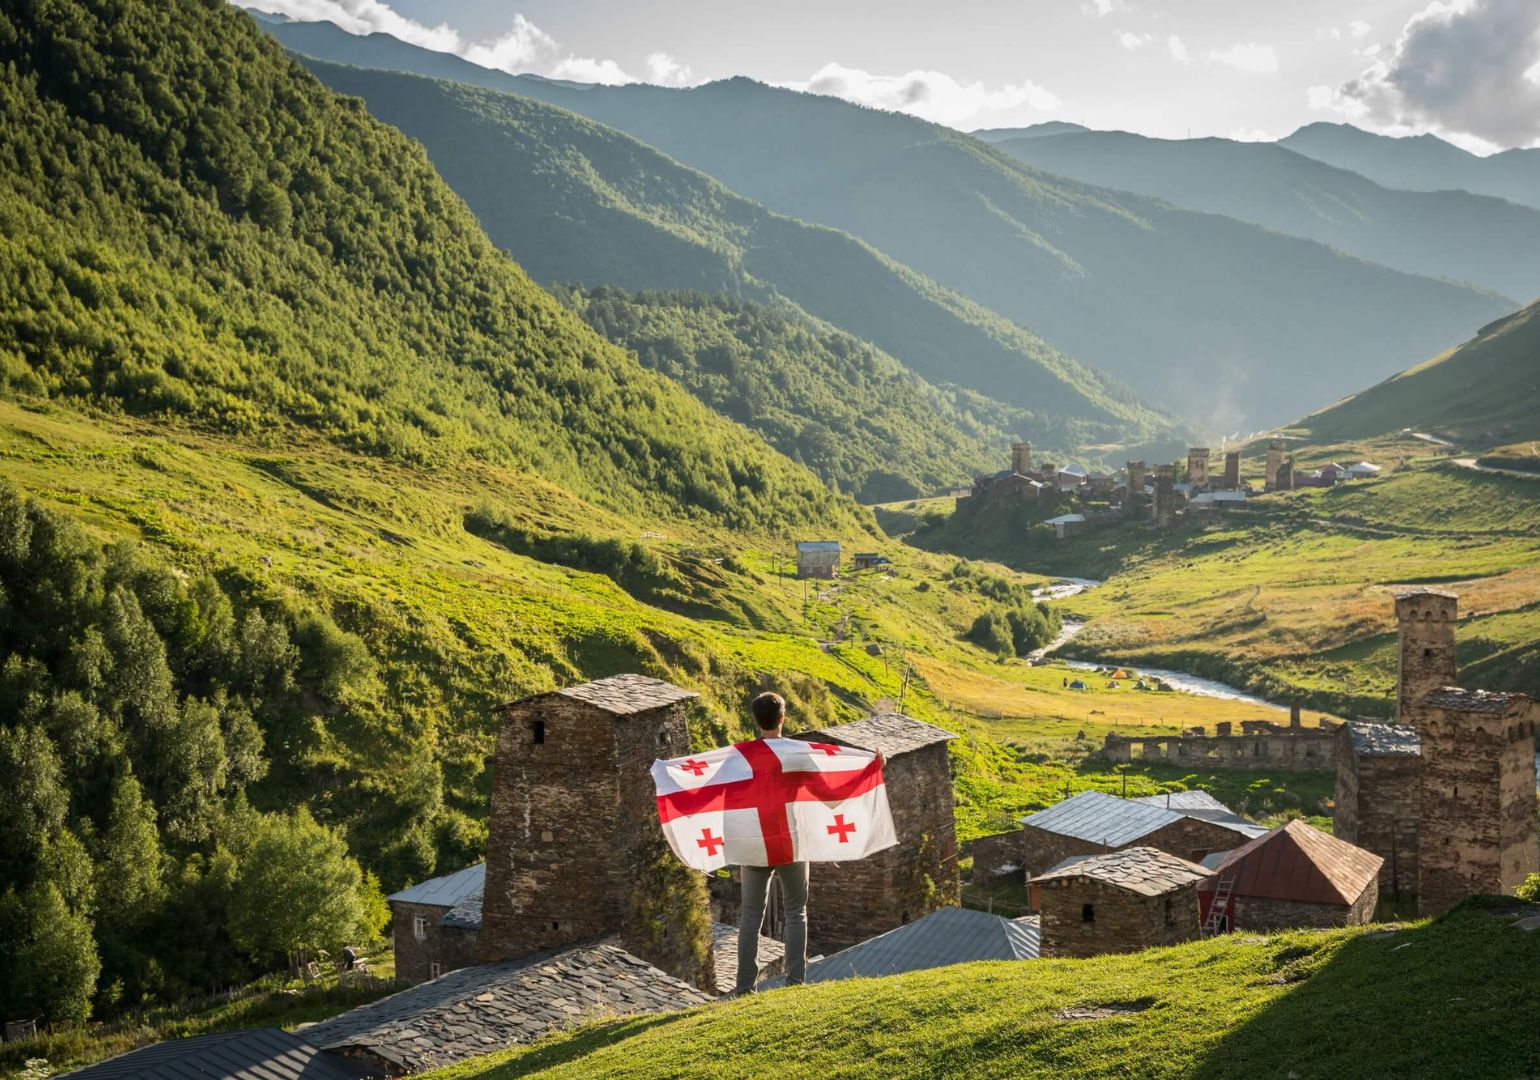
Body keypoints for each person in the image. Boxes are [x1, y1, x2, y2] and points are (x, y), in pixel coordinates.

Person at [735, 691, 808, 995]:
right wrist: (870, 766)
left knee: (750, 916)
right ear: (783, 717)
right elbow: (828, 789)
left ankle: (744, 989)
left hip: (754, 843)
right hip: (790, 840)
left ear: (755, 719)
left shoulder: (740, 757)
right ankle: (795, 984)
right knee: (796, 912)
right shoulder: (797, 753)